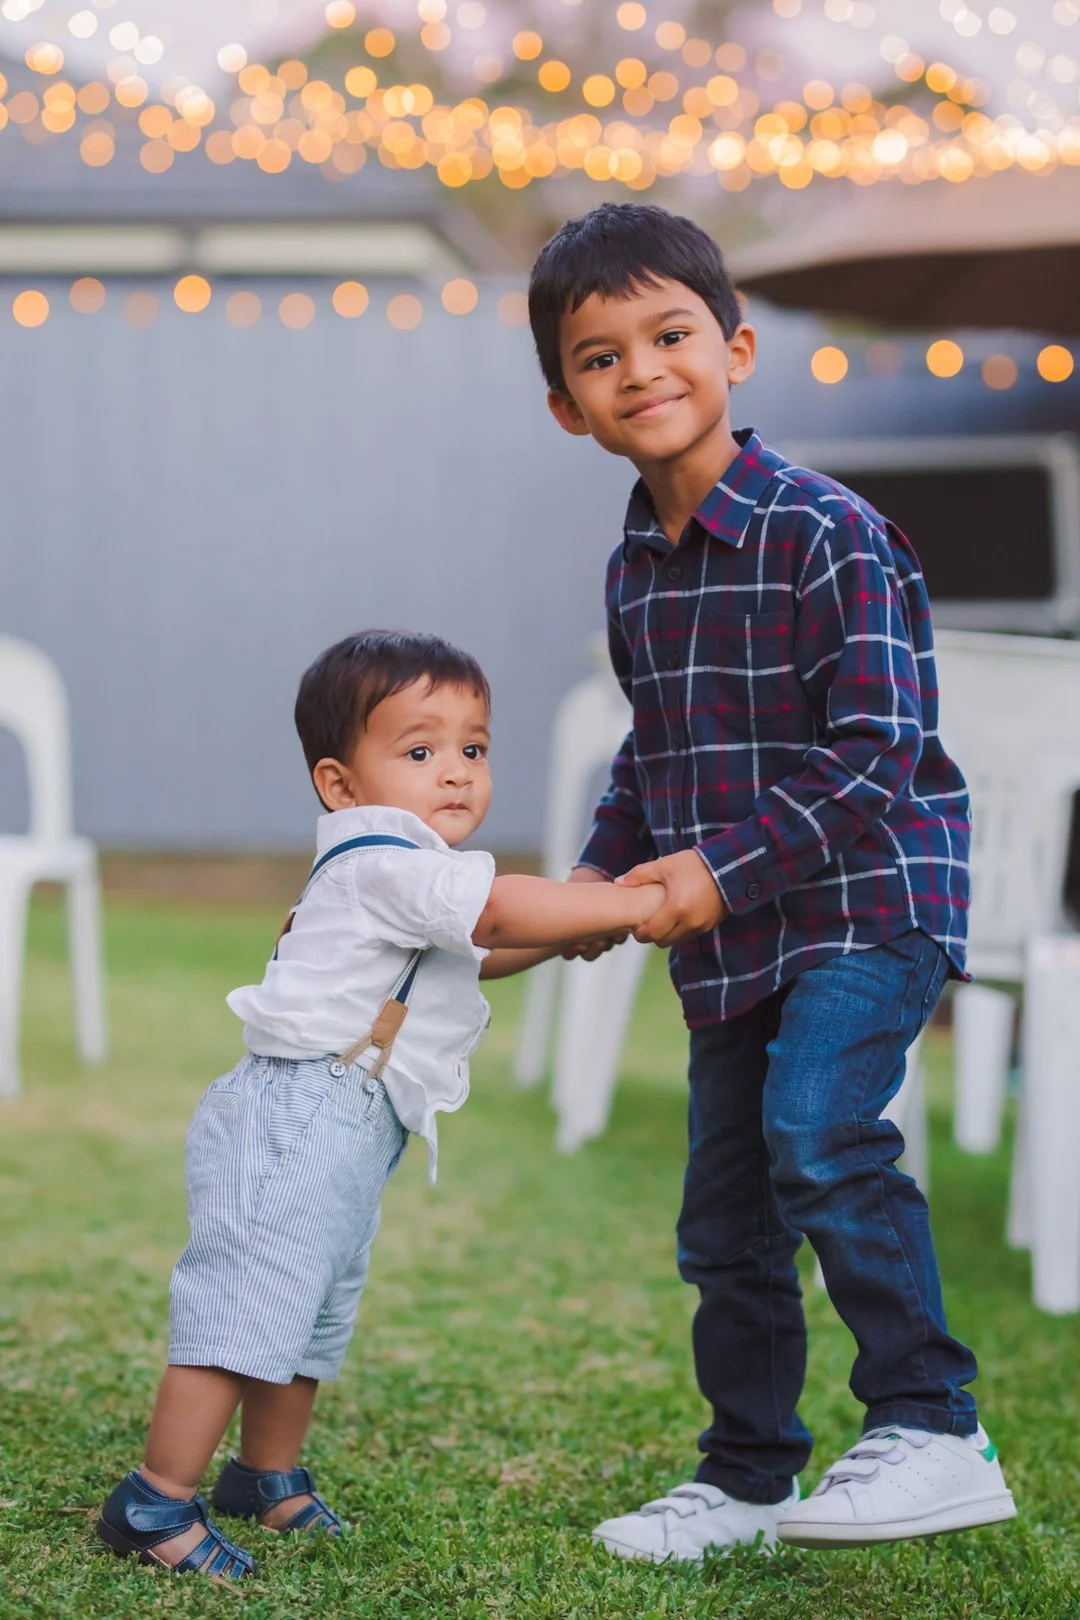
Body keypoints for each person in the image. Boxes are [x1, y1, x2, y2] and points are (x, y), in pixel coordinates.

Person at [527, 201, 1016, 1558]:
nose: (643, 372)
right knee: (725, 1222)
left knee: (817, 1128)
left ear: (735, 348)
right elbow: (651, 751)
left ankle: (932, 1427)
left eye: (670, 335)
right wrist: (583, 891)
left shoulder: (830, 531)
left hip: (869, 901)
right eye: (600, 357)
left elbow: (880, 753)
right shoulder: (636, 571)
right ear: (569, 407)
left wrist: (712, 871)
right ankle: (749, 1479)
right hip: (732, 935)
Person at [97, 629, 664, 1582]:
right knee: (242, 1311)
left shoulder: (414, 876)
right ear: (341, 785)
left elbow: (480, 950)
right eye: (419, 750)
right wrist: (625, 905)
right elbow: (492, 916)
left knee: (312, 1313)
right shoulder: (379, 855)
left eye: (472, 750)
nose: (455, 773)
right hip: (294, 1118)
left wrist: (566, 938)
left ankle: (264, 1477)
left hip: (350, 1129)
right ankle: (153, 1499)